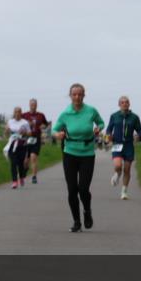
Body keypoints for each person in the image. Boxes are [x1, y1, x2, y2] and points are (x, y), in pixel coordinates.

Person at [52, 83, 104, 232]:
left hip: (87, 153)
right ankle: (76, 221)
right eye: (74, 94)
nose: (77, 97)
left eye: (80, 94)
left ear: (84, 95)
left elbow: (101, 122)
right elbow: (54, 130)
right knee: (72, 189)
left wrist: (98, 128)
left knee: (83, 189)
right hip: (69, 153)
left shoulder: (91, 111)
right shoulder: (65, 114)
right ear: (70, 96)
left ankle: (87, 211)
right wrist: (58, 134)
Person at [106, 96, 141, 200]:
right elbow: (108, 129)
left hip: (128, 145)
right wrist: (108, 137)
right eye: (122, 102)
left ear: (129, 104)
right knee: (118, 166)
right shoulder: (114, 116)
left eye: (126, 102)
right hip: (117, 144)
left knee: (127, 169)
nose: (124, 104)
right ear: (119, 104)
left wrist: (138, 136)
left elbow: (140, 130)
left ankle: (124, 192)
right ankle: (117, 174)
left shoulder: (134, 117)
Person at [21, 98, 50, 184]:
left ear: (36, 105)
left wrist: (44, 127)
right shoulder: (24, 115)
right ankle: (25, 169)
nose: (33, 106)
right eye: (31, 105)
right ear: (29, 105)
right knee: (25, 160)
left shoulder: (41, 115)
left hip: (36, 138)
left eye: (34, 105)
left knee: (33, 157)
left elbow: (46, 124)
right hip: (26, 139)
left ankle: (34, 176)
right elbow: (19, 124)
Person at [4, 107, 31, 188]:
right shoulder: (10, 122)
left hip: (22, 144)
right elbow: (6, 134)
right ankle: (15, 181)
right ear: (14, 113)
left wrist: (25, 132)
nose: (17, 114)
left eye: (19, 112)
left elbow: (29, 133)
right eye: (16, 112)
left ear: (21, 113)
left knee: (21, 164)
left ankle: (22, 177)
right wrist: (7, 131)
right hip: (12, 144)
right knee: (13, 163)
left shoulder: (25, 122)